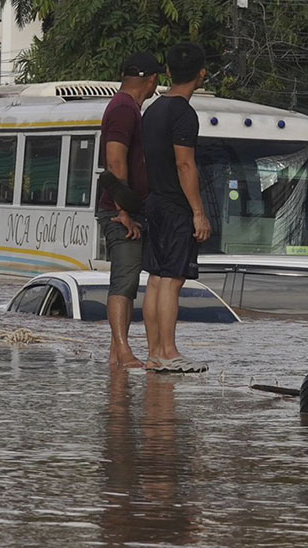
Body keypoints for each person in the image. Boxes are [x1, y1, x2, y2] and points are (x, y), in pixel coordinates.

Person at [141, 42, 210, 373]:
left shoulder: (152, 110)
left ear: (167, 72)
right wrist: (198, 211)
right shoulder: (184, 113)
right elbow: (185, 165)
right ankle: (168, 352)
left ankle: (154, 352)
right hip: (174, 206)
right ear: (201, 75)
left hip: (153, 201)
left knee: (156, 277)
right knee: (172, 279)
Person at [97, 51, 162, 369]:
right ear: (152, 80)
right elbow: (115, 160)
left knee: (129, 280)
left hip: (126, 207)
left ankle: (116, 355)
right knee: (123, 281)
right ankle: (122, 350)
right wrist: (123, 210)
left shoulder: (126, 108)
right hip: (119, 210)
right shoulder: (123, 108)